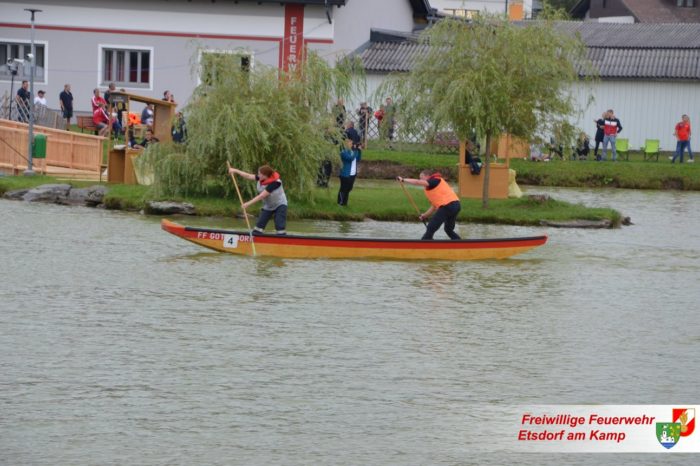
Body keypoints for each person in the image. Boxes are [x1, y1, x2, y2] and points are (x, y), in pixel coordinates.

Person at [396, 170, 461, 240]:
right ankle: (460, 245)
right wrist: (424, 215)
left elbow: (417, 182)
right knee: (448, 230)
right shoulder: (433, 188)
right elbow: (434, 206)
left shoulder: (435, 180)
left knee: (431, 227)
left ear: (427, 176)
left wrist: (403, 180)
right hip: (456, 206)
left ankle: (425, 243)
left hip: (448, 206)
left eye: (421, 178)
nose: (420, 180)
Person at [228, 165, 288, 235]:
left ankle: (281, 239)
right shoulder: (261, 178)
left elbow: (262, 196)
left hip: (280, 204)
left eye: (260, 174)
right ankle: (257, 237)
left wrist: (247, 204)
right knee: (259, 227)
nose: (258, 175)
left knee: (279, 225)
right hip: (268, 206)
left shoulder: (276, 183)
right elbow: (248, 176)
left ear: (265, 175)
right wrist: (235, 170)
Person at [338, 138, 361, 206]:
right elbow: (350, 159)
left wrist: (359, 151)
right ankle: (340, 203)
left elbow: (358, 159)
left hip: (352, 174)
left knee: (349, 188)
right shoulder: (343, 152)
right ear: (346, 144)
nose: (352, 144)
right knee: (343, 189)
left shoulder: (352, 151)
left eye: (352, 143)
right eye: (350, 143)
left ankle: (345, 203)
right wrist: (356, 150)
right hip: (345, 174)